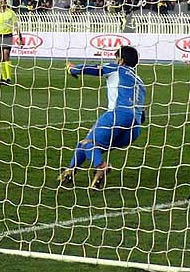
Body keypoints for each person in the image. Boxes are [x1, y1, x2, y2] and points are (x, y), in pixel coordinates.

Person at [59, 46, 146, 190]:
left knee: (88, 143)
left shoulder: (116, 68)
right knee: (89, 145)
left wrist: (72, 69)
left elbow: (93, 69)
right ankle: (70, 171)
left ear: (121, 60)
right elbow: (142, 116)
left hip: (118, 115)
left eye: (116, 58)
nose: (115, 60)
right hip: (134, 128)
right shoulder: (140, 82)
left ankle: (101, 166)